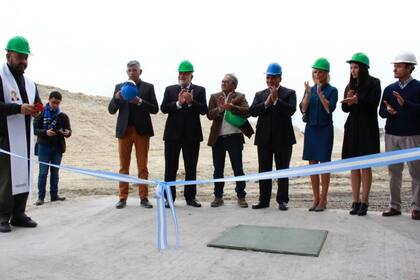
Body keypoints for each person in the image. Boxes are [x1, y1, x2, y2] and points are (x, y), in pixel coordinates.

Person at [0, 36, 41, 232]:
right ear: (8, 56)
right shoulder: (0, 77)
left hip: (25, 137)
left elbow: (37, 102)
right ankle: (2, 216)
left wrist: (37, 109)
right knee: (6, 180)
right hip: (5, 137)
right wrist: (18, 109)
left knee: (23, 175)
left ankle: (19, 214)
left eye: (26, 58)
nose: (24, 62)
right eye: (20, 57)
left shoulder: (30, 83)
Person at [108, 60, 158, 209]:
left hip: (142, 131)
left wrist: (140, 102)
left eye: (134, 70)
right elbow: (111, 110)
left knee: (142, 166)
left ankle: (144, 198)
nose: (131, 73)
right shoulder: (119, 87)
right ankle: (122, 198)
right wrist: (116, 98)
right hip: (124, 132)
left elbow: (155, 109)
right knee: (123, 166)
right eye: (129, 70)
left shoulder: (148, 87)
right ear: (126, 72)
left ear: (140, 71)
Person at [249, 62, 296, 211]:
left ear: (280, 78)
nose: (270, 81)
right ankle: (264, 200)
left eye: (273, 78)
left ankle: (282, 200)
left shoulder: (289, 93)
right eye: (268, 77)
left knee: (283, 170)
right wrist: (267, 103)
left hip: (283, 140)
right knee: (264, 170)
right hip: (264, 139)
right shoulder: (260, 94)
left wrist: (276, 100)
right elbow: (253, 111)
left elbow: (290, 110)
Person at [161, 60, 208, 207]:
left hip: (192, 136)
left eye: (185, 73)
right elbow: (163, 108)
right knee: (170, 168)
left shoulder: (200, 90)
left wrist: (191, 102)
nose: (182, 75)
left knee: (191, 168)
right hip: (172, 136)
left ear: (191, 76)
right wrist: (179, 104)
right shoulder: (170, 90)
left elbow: (204, 110)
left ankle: (190, 198)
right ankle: (169, 198)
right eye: (180, 73)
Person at [380, 51, 420, 220]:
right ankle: (394, 206)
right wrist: (388, 111)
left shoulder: (418, 87)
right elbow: (381, 112)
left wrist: (406, 104)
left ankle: (417, 207)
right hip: (392, 135)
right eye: (394, 66)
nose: (395, 69)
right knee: (393, 172)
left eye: (399, 66)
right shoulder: (389, 89)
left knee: (416, 173)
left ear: (410, 68)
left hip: (412, 135)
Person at [341, 53, 381, 216]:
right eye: (351, 67)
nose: (353, 70)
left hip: (367, 128)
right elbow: (345, 109)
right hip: (352, 128)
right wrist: (349, 100)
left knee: (365, 165)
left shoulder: (374, 83)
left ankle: (365, 201)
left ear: (363, 68)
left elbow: (374, 103)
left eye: (356, 67)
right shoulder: (350, 86)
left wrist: (357, 100)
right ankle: (355, 200)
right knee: (353, 165)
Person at [207, 73, 254, 208]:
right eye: (222, 81)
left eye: (226, 81)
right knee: (218, 170)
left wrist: (231, 107)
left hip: (235, 137)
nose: (222, 83)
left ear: (233, 84)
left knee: (238, 168)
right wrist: (220, 109)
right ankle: (218, 197)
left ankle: (241, 197)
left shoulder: (240, 96)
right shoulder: (214, 96)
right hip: (218, 138)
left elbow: (247, 111)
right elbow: (209, 115)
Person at [300, 58, 338, 212]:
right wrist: (309, 94)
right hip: (311, 129)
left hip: (324, 130)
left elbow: (329, 109)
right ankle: (315, 198)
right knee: (312, 164)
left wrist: (320, 94)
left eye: (320, 72)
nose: (317, 74)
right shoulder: (309, 89)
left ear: (326, 74)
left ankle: (324, 198)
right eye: (315, 71)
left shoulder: (332, 90)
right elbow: (303, 108)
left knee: (324, 165)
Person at [34, 91, 72, 205]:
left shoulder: (63, 116)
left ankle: (54, 195)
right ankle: (40, 197)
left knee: (55, 172)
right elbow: (34, 129)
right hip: (43, 147)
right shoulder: (40, 114)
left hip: (57, 148)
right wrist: (46, 132)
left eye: (58, 103)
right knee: (43, 173)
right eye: (53, 102)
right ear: (49, 100)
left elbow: (69, 131)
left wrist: (67, 132)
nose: (55, 105)